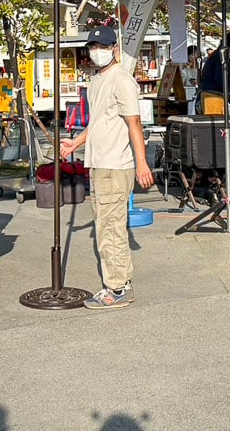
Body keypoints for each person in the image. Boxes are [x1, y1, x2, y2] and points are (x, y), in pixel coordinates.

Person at [60, 27, 154, 310]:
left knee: (110, 228)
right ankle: (120, 283)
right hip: (99, 162)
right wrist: (75, 143)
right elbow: (98, 121)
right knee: (106, 225)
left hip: (115, 164)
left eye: (102, 45)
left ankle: (117, 288)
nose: (96, 51)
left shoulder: (121, 79)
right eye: (92, 46)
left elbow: (133, 122)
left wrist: (142, 162)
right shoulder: (97, 80)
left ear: (114, 48)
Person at [199, 31, 230, 98]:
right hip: (212, 95)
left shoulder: (218, 55)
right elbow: (220, 78)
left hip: (210, 93)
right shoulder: (220, 57)